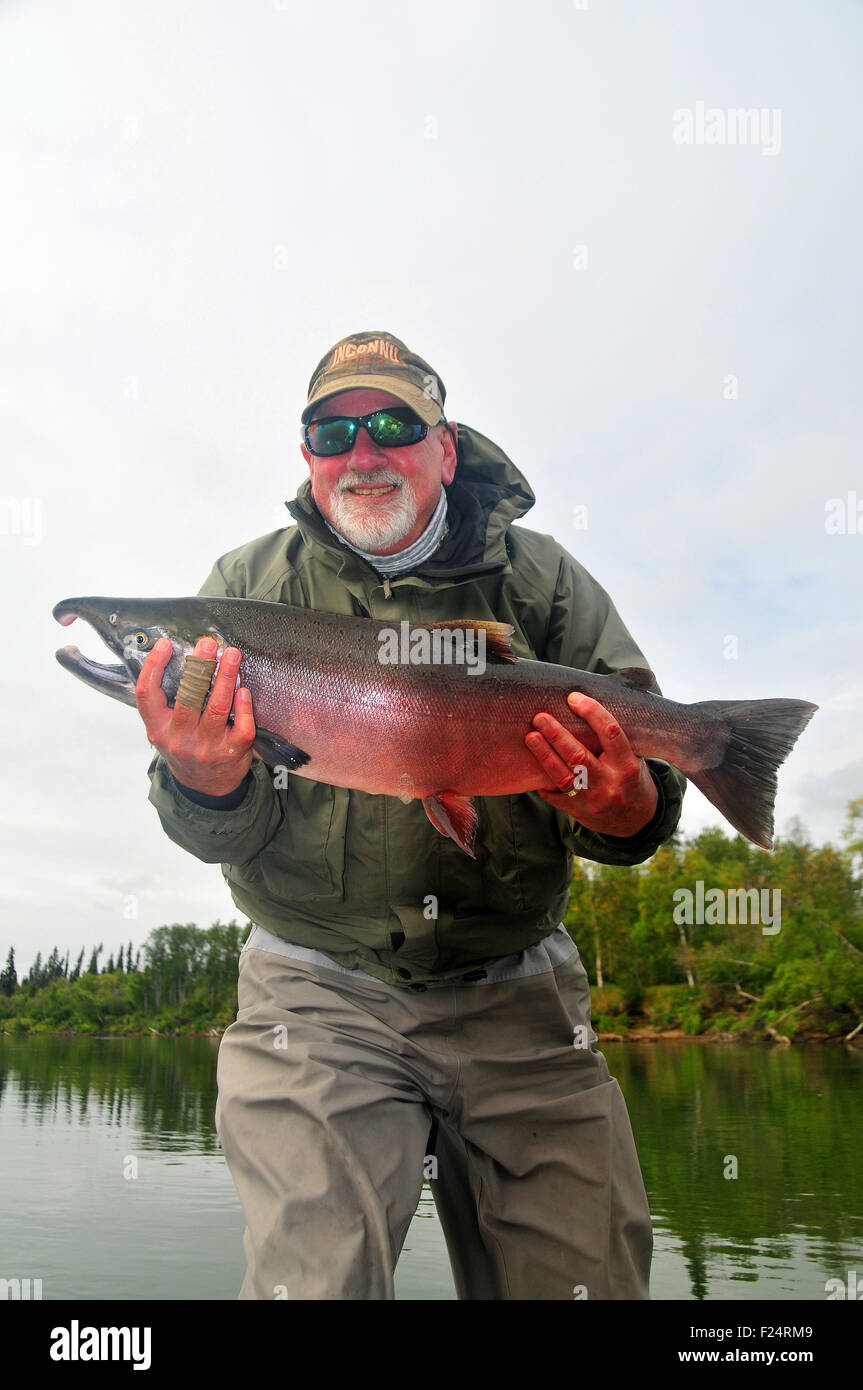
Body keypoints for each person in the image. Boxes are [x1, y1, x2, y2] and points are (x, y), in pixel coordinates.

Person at [137, 330, 686, 1301]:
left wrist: (628, 802)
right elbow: (223, 829)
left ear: (446, 445)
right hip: (312, 996)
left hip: (518, 994)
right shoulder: (241, 590)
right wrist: (208, 784)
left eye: (391, 424)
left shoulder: (544, 585)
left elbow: (632, 808)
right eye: (330, 431)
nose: (361, 452)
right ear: (306, 459)